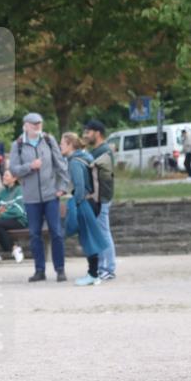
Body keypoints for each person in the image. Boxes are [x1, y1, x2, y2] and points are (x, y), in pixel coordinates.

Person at [9, 112, 69, 282]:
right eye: (34, 124)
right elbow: (13, 169)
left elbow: (61, 165)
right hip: (31, 198)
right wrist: (30, 166)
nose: (37, 126)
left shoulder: (49, 140)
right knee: (35, 234)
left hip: (51, 195)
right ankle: (39, 270)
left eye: (39, 123)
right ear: (26, 125)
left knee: (56, 233)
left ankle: (60, 269)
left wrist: (62, 188)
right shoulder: (18, 145)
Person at [59, 132, 107, 286]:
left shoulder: (74, 162)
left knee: (88, 239)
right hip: (94, 201)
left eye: (62, 143)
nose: (60, 146)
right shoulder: (85, 157)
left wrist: (77, 203)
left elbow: (79, 188)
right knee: (90, 237)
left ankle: (93, 274)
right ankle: (94, 273)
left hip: (85, 203)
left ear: (70, 145)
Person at [83, 120, 116, 280]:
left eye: (88, 132)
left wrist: (99, 198)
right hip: (97, 198)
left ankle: (108, 269)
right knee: (100, 232)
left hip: (101, 198)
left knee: (103, 232)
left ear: (97, 133)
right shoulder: (96, 150)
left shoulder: (104, 151)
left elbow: (105, 179)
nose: (86, 135)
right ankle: (103, 266)